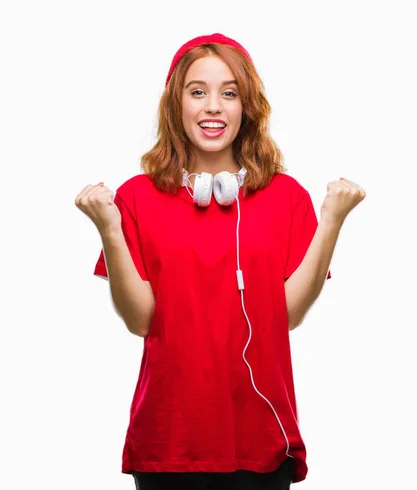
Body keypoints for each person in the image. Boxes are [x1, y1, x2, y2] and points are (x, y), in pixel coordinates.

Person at [74, 33, 366, 490]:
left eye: (229, 93)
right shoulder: (136, 197)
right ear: (177, 105)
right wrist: (109, 229)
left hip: (262, 440)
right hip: (168, 440)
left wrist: (331, 222)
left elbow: (285, 315)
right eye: (198, 91)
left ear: (246, 106)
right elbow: (139, 320)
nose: (213, 106)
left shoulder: (286, 197)